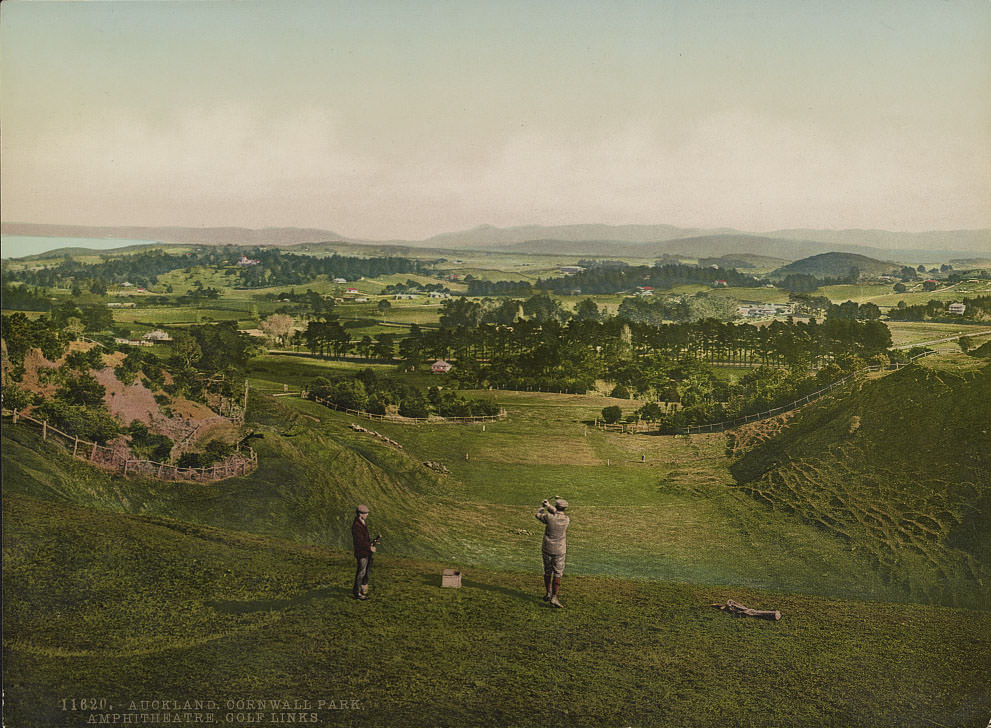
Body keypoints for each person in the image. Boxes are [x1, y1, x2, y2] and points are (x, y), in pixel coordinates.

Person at [535, 496, 570, 608]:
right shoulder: (566, 519)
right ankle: (554, 597)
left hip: (547, 547)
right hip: (559, 550)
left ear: (556, 506)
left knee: (547, 571)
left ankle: (548, 593)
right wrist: (549, 506)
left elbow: (538, 515)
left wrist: (543, 506)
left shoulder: (549, 517)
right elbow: (558, 513)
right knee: (558, 572)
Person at [351, 504, 376, 600]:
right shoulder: (357, 526)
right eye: (365, 513)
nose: (367, 515)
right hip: (362, 553)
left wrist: (372, 543)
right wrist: (369, 547)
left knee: (366, 571)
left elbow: (364, 539)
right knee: (361, 572)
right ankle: (357, 592)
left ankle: (362, 587)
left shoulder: (362, 522)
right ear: (360, 514)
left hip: (366, 552)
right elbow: (359, 541)